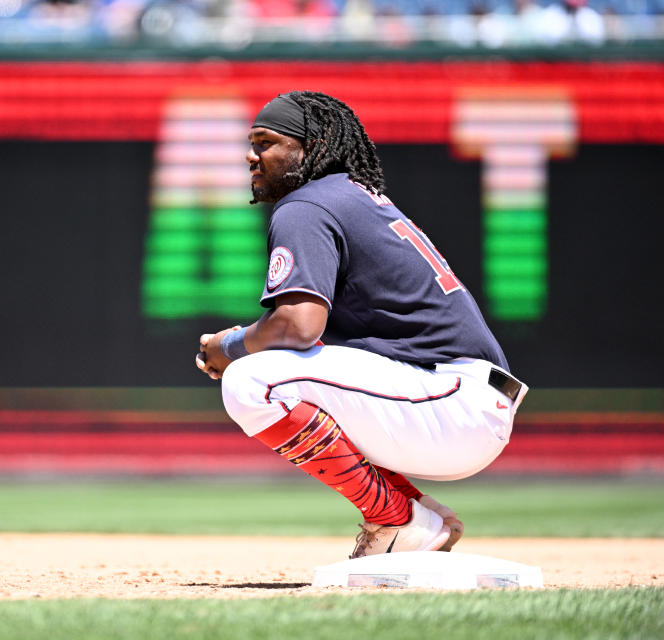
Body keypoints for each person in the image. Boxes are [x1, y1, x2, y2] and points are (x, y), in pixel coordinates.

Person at [195, 90, 528, 559]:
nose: (252, 155)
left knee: (251, 380)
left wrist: (229, 346)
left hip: (451, 403)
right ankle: (415, 513)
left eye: (266, 142)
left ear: (309, 147)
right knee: (289, 378)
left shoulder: (307, 205)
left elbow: (298, 324)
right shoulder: (354, 196)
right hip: (461, 401)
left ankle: (397, 521)